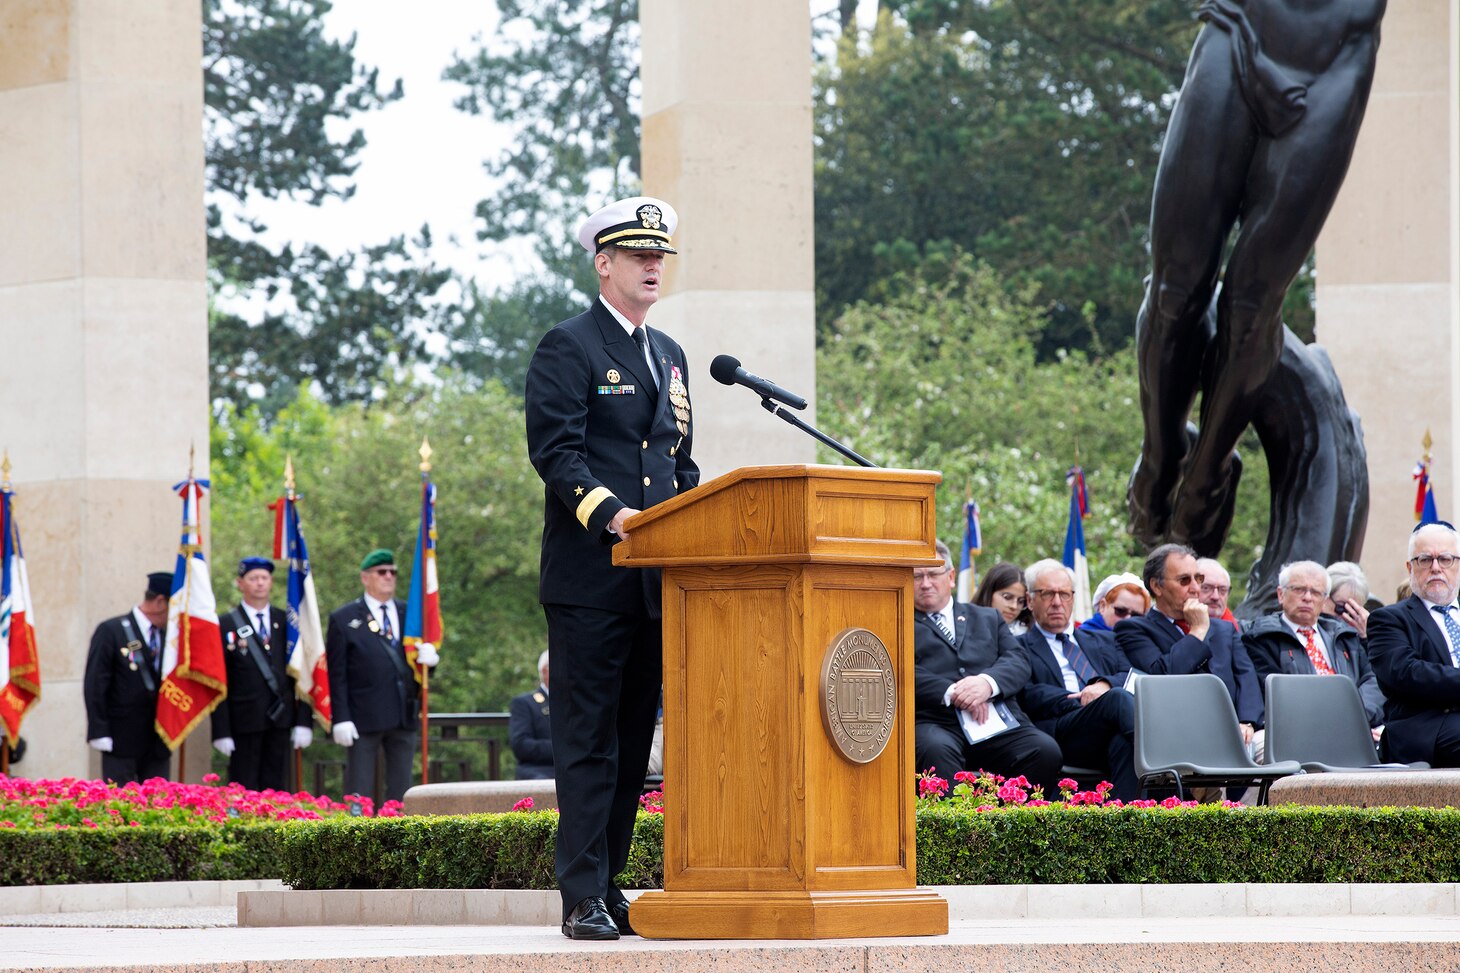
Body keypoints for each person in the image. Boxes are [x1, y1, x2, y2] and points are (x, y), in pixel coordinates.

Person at [1128, 0, 1385, 553]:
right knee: (1176, 286)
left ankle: (1206, 476)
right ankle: (1161, 453)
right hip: (1237, 30)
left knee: (1252, 303)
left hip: (1332, 61)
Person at [524, 195, 700, 941]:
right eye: (637, 254)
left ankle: (612, 880)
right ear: (604, 263)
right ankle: (579, 896)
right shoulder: (569, 345)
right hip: (593, 578)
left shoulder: (671, 355)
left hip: (655, 583)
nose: (652, 264)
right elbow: (556, 453)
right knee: (589, 741)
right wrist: (613, 514)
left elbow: (680, 465)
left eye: (659, 254)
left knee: (632, 745)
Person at [913, 542, 1062, 796]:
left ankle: (1002, 826)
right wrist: (956, 692)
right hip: (937, 721)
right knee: (935, 750)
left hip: (995, 719)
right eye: (917, 576)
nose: (926, 583)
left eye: (933, 574)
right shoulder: (898, 621)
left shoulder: (987, 618)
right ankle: (953, 833)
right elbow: (899, 670)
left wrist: (985, 684)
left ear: (950, 577)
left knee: (1045, 751)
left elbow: (1018, 659)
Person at [1116, 544, 1264, 745]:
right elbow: (1162, 677)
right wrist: (1197, 631)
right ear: (1157, 586)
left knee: (1285, 750)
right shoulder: (1133, 629)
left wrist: (1247, 721)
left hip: (1238, 730)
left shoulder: (1223, 629)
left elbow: (1246, 677)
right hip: (1180, 734)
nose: (1195, 587)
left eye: (1198, 578)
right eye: (1184, 580)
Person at [1016, 559, 1139, 800]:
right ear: (1030, 601)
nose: (1057, 602)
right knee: (1116, 699)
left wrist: (1102, 686)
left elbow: (1129, 676)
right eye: (1047, 594)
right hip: (1064, 727)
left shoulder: (1103, 639)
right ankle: (1164, 754)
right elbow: (1027, 692)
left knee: (1123, 745)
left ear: (1073, 598)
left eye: (1064, 593)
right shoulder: (1018, 646)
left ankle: (1126, 824)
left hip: (1110, 725)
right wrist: (1083, 698)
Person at [325, 548, 439, 806]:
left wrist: (430, 662)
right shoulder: (344, 618)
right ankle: (356, 842)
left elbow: (416, 665)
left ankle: (398, 840)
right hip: (363, 716)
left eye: (392, 572)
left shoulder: (409, 614)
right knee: (359, 793)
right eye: (382, 572)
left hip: (403, 713)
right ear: (366, 578)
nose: (389, 576)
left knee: (401, 792)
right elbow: (337, 673)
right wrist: (340, 718)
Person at [1243, 560, 1384, 736]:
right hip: (1298, 732)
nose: (1308, 598)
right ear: (1281, 594)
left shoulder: (1345, 636)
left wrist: (1358, 720)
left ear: (1324, 601)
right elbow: (1278, 695)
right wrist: (1340, 727)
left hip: (1357, 726)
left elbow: (1374, 678)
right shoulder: (1262, 637)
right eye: (1299, 589)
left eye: (1316, 592)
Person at [213, 557, 314, 792]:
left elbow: (303, 673)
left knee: (277, 788)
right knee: (243, 790)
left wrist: (304, 722)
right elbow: (219, 680)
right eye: (253, 578)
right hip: (243, 722)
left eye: (264, 578)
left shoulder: (287, 622)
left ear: (271, 582)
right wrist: (221, 731)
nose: (259, 583)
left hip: (280, 720)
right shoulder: (226, 625)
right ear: (240, 583)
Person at [1366, 522, 1460, 765]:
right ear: (1410, 567)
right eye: (1425, 560)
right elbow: (1406, 674)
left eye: (1446, 559)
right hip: (1425, 729)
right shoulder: (1388, 619)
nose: (1436, 568)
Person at [83, 571, 175, 784]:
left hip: (158, 741)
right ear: (160, 602)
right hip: (120, 738)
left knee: (159, 807)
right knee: (122, 806)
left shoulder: (169, 636)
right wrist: (99, 730)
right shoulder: (111, 631)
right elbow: (95, 684)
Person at [509, 650, 553, 780]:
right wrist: (562, 749)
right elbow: (521, 745)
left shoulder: (574, 703)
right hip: (540, 770)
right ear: (545, 671)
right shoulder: (525, 703)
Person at [971, 562, 1029, 636]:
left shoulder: (1026, 637)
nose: (1014, 606)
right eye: (1007, 597)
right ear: (989, 593)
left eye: (1021, 601)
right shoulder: (962, 630)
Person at [1082, 573, 1150, 633]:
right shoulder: (1081, 639)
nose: (1128, 619)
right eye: (1121, 611)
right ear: (1102, 606)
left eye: (1136, 615)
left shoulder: (1147, 641)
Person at [1325, 560, 1372, 638]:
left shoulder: (1358, 634)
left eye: (1354, 611)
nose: (1347, 617)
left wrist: (1365, 636)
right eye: (1341, 607)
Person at [1196, 558, 1238, 628]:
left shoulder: (1239, 632)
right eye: (1206, 588)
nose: (1216, 597)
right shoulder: (1175, 628)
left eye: (1222, 590)